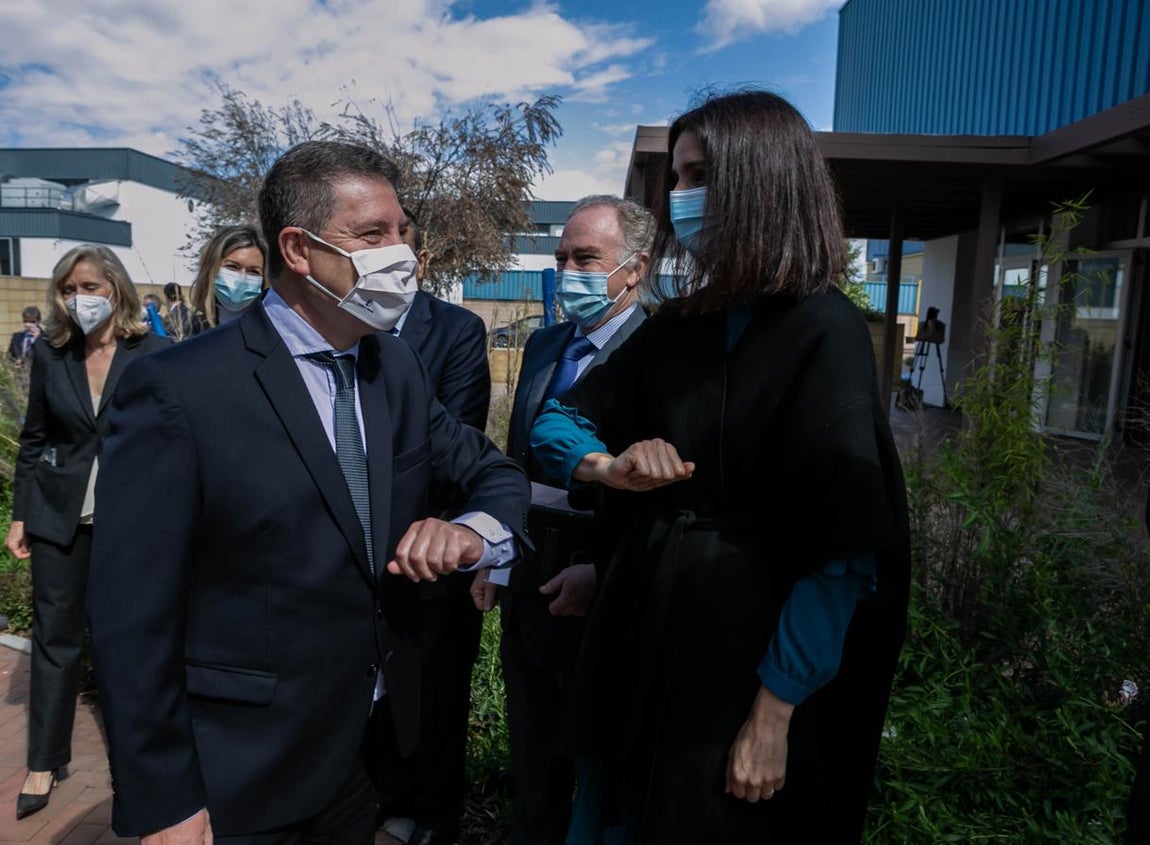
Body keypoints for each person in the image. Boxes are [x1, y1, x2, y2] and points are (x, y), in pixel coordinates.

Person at [86, 140, 530, 844]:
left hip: (359, 760)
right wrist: (164, 800)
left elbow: (494, 473)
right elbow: (131, 615)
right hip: (241, 772)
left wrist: (473, 530)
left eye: (402, 232)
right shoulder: (178, 389)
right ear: (298, 249)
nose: (402, 254)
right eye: (372, 234)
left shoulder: (395, 368)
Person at [529, 91, 911, 843]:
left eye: (698, 176)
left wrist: (775, 711)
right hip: (645, 634)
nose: (679, 197)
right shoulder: (682, 325)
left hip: (747, 654)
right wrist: (607, 466)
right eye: (676, 177)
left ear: (761, 182)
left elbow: (841, 551)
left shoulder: (823, 328)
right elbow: (554, 422)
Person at [470, 195, 653, 845]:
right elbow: (517, 461)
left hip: (606, 589)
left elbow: (664, 493)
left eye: (587, 258)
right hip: (529, 571)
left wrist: (603, 570)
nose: (569, 271)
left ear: (635, 267)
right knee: (533, 744)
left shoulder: (659, 351)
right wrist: (497, 557)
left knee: (601, 762)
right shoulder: (547, 343)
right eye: (562, 257)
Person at [4, 245, 170, 820]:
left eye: (91, 287)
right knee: (55, 639)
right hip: (59, 518)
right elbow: (33, 440)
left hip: (132, 524)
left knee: (128, 644)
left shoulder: (154, 353)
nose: (80, 299)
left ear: (116, 289)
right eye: (70, 289)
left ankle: (137, 763)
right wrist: (20, 515)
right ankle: (45, 759)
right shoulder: (53, 355)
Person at [373, 206, 492, 845]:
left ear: (421, 261)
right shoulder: (347, 328)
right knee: (376, 697)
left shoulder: (455, 329)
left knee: (437, 696)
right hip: (362, 556)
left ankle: (435, 817)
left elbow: (455, 441)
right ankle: (382, 798)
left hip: (434, 545)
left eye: (399, 249)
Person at [186, 223, 267, 335]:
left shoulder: (270, 332)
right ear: (211, 269)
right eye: (232, 267)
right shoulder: (191, 329)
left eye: (253, 272)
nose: (242, 278)